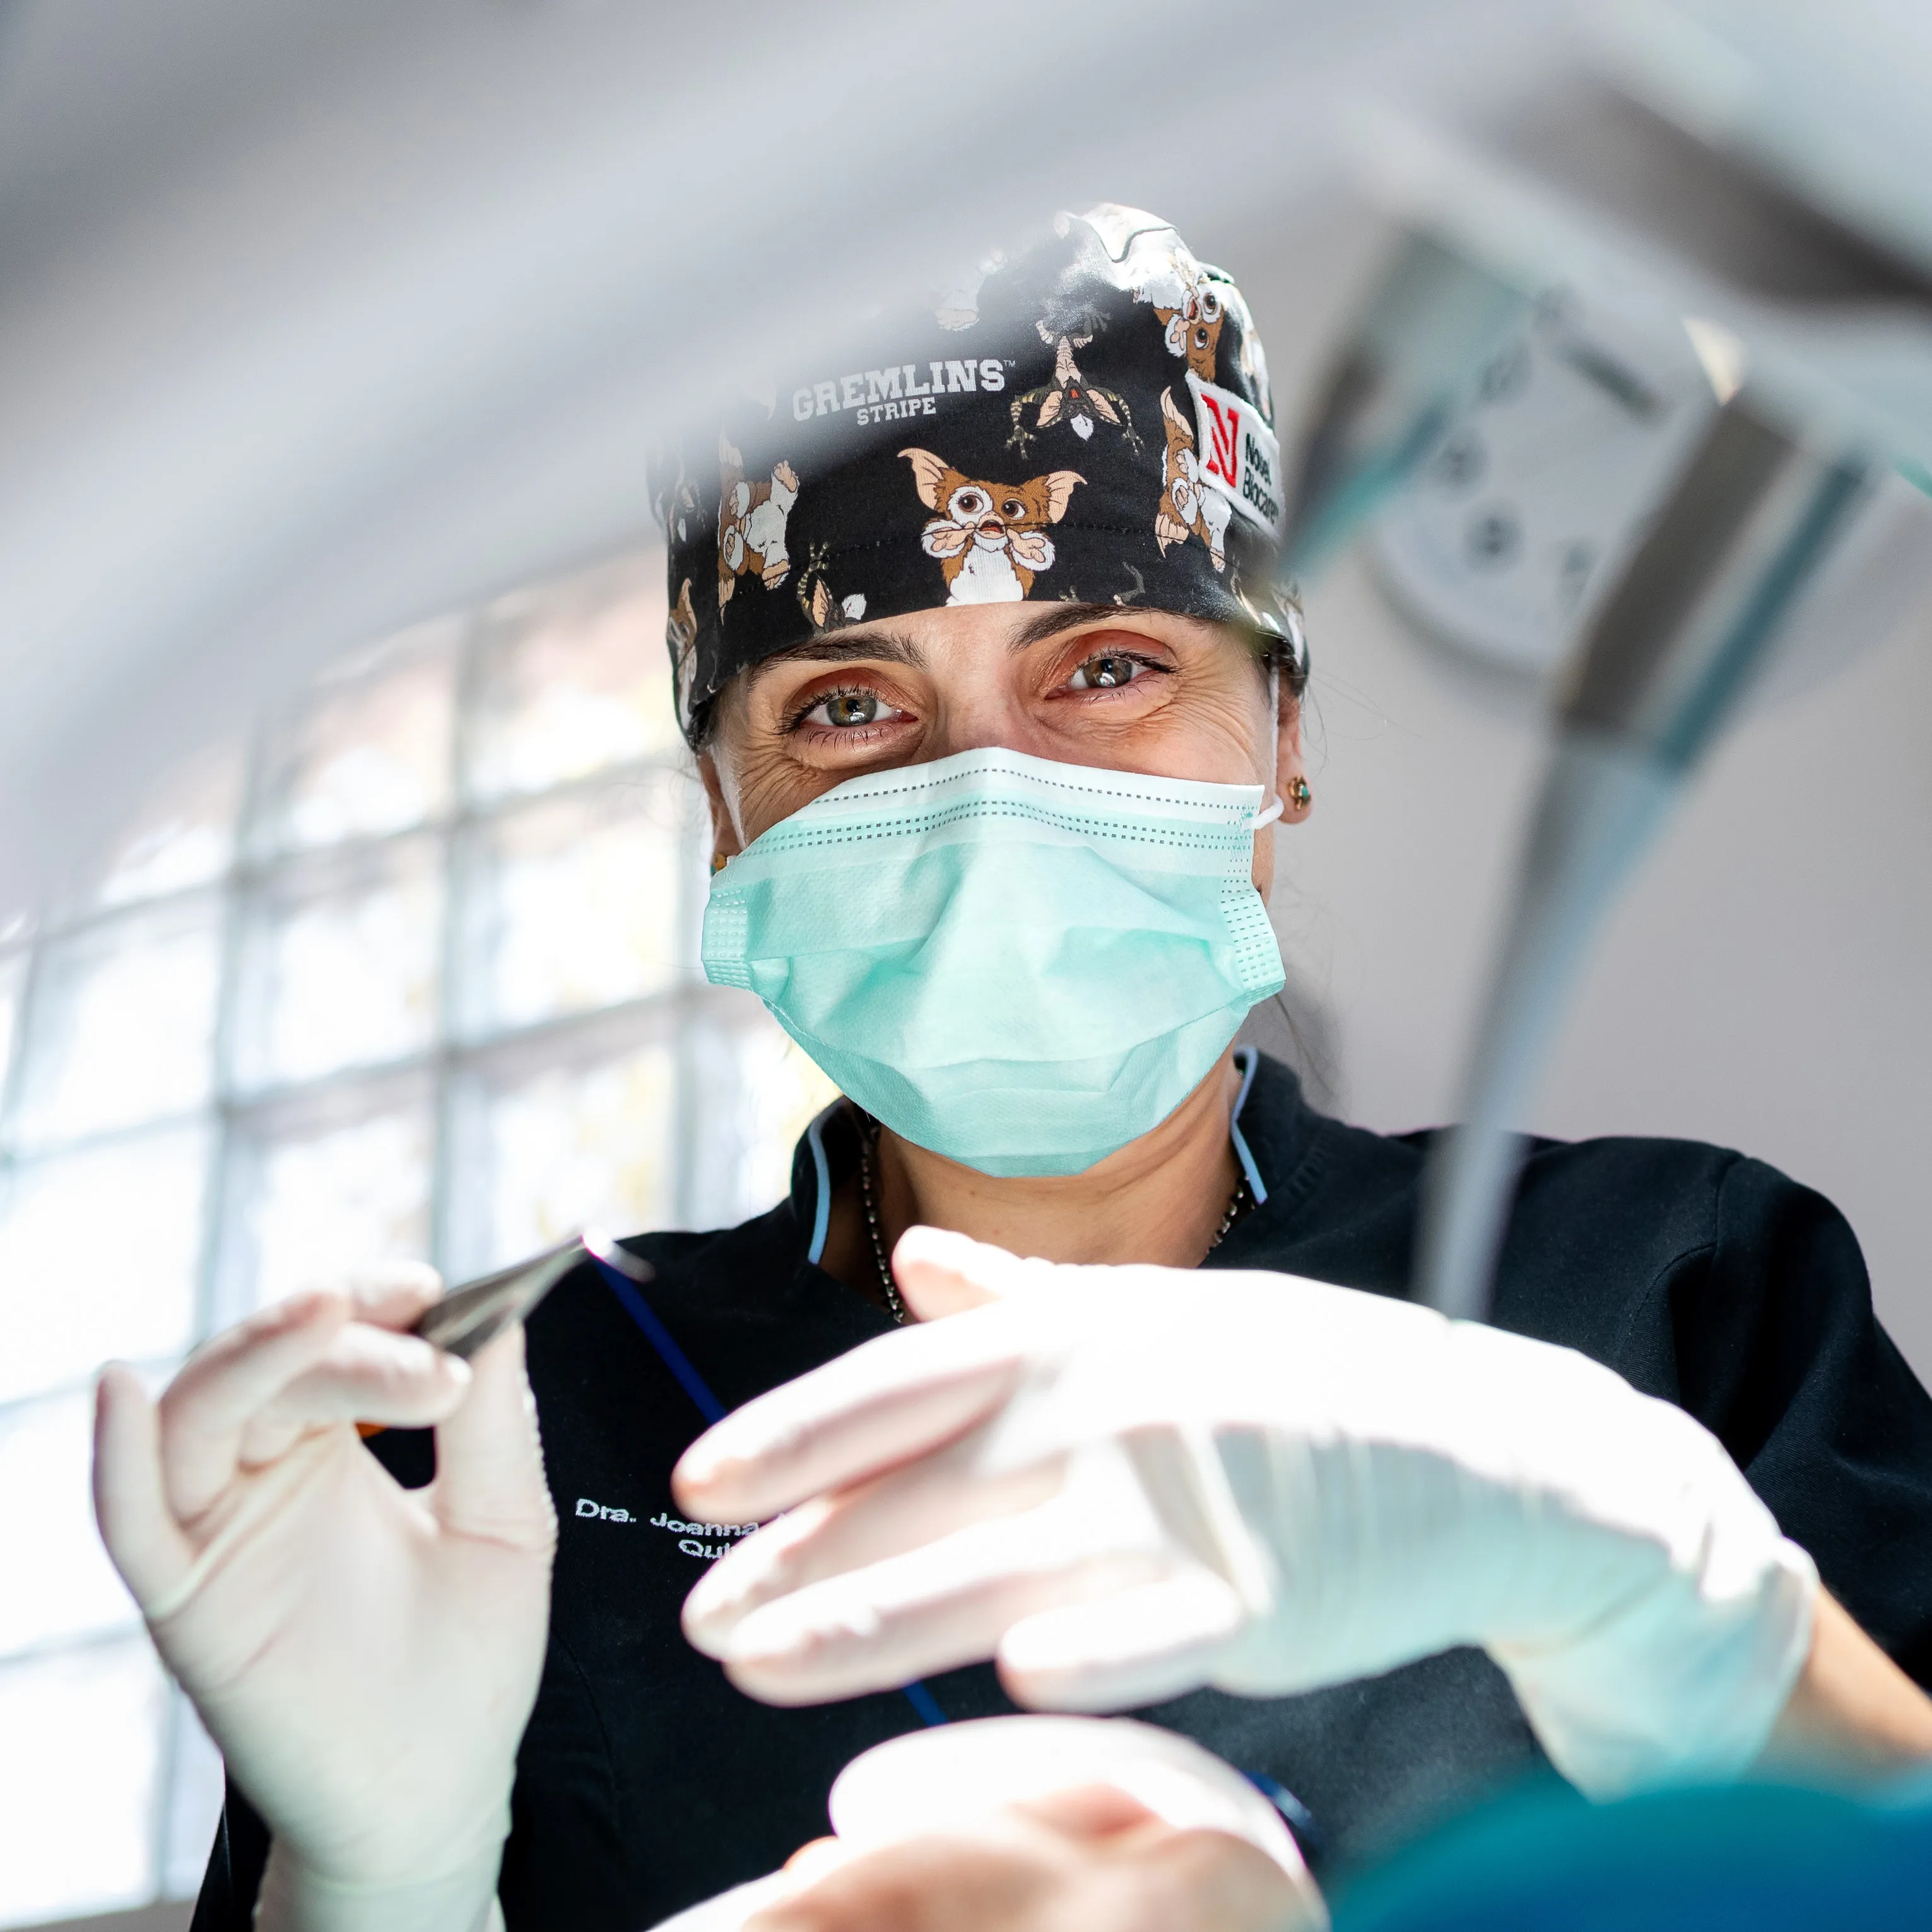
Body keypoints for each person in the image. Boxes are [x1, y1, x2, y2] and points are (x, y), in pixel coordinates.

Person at [93, 206, 1932, 1932]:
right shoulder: (512, 1427)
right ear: (721, 813)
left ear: (1277, 736)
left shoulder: (1657, 1285)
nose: (982, 795)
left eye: (1111, 663)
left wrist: (1696, 1619)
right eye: (844, 704)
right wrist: (373, 1876)